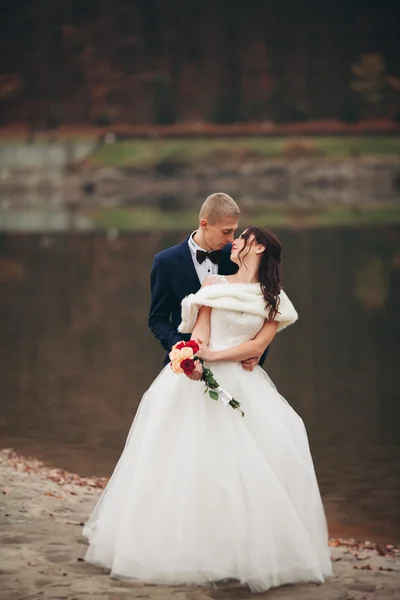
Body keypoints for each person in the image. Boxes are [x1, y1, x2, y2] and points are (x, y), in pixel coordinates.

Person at [83, 226, 332, 593]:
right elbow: (199, 332)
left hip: (243, 383)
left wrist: (218, 355)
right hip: (198, 380)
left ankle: (244, 551)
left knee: (256, 458)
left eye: (242, 237)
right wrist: (193, 355)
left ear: (259, 246)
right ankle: (187, 548)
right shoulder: (214, 286)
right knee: (190, 462)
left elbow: (259, 345)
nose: (234, 242)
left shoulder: (274, 298)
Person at [148, 192, 268, 369]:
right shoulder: (166, 262)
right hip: (185, 367)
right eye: (226, 232)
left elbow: (260, 309)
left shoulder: (236, 258)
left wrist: (258, 352)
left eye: (234, 231)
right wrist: (183, 351)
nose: (231, 239)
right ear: (204, 224)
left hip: (234, 366)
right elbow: (158, 319)